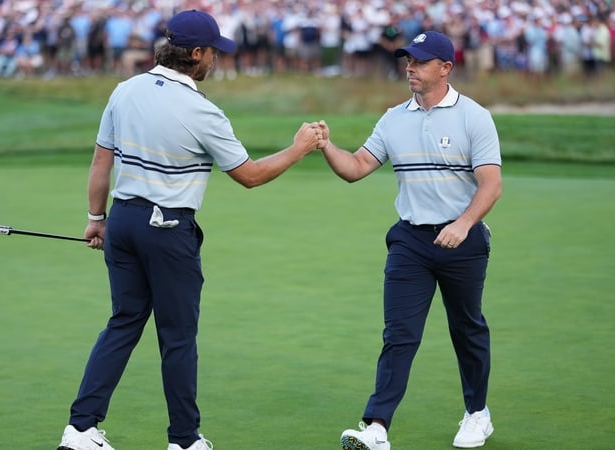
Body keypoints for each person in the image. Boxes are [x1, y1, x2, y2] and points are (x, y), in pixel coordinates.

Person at [56, 9, 323, 450]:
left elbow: (102, 160)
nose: (215, 60)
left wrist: (95, 218)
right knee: (177, 336)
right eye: (213, 52)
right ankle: (183, 439)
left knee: (123, 323)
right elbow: (250, 175)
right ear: (195, 54)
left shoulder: (125, 91)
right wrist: (299, 148)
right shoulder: (203, 111)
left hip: (122, 220)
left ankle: (80, 428)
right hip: (168, 228)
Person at [316, 31, 502, 449]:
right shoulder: (393, 118)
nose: (410, 68)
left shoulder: (475, 117)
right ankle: (377, 427)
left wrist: (464, 223)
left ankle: (477, 414)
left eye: (419, 61)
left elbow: (490, 186)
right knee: (399, 334)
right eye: (407, 61)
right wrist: (326, 146)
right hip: (410, 242)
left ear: (445, 68)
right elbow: (356, 167)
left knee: (466, 328)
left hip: (464, 242)